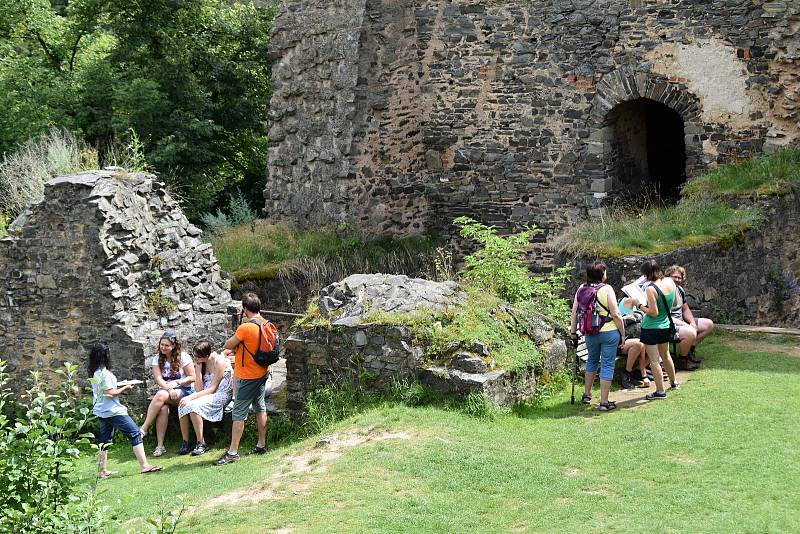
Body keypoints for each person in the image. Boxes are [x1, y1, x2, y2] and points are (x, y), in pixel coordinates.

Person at [213, 292, 272, 465]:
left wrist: (239, 337)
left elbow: (228, 345)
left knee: (238, 413)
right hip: (262, 373)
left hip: (247, 376)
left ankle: (232, 452)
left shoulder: (246, 327)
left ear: (245, 309)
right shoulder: (266, 324)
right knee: (260, 407)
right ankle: (261, 445)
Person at [88, 342, 162, 477]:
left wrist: (119, 385)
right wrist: (125, 388)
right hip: (113, 411)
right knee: (135, 433)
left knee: (104, 441)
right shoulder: (104, 373)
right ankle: (145, 466)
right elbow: (110, 393)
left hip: (101, 410)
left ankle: (102, 471)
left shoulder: (96, 372)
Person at [570, 261, 626, 412]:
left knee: (592, 361)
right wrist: (623, 333)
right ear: (602, 274)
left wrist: (573, 333)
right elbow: (615, 313)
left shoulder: (581, 288)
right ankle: (604, 402)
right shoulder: (607, 289)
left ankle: (587, 395)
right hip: (609, 332)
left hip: (590, 332)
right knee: (607, 364)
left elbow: (575, 312)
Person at [139, 332, 196, 456]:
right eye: (162, 344)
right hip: (168, 392)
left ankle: (144, 427)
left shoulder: (184, 357)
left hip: (186, 391)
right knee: (163, 408)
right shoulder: (157, 358)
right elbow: (159, 379)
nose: (163, 347)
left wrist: (176, 384)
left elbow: (193, 377)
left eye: (167, 345)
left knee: (160, 395)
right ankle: (160, 446)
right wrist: (169, 390)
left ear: (174, 346)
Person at [632, 260, 679, 400]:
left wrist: (638, 304)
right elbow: (675, 303)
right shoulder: (670, 282)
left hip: (651, 328)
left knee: (654, 360)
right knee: (666, 355)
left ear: (646, 274)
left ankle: (660, 391)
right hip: (665, 326)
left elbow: (653, 312)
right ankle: (674, 382)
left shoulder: (651, 288)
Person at [178, 340, 234, 456]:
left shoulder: (219, 361)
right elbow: (199, 389)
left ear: (207, 355)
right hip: (206, 393)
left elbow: (213, 388)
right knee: (182, 404)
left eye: (198, 357)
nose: (196, 359)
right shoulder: (201, 363)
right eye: (195, 356)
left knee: (193, 406)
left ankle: (201, 443)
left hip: (221, 394)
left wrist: (191, 397)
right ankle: (186, 441)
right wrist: (197, 371)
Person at [665, 265, 715, 369]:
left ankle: (689, 350)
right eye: (674, 277)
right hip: (670, 325)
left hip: (681, 321)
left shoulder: (680, 290)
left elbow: (685, 309)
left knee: (709, 324)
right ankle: (682, 360)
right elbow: (666, 316)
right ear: (668, 276)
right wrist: (687, 326)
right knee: (691, 332)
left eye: (679, 277)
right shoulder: (665, 291)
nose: (677, 280)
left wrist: (692, 322)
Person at [617, 299, 650, 390]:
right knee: (639, 344)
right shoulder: (623, 305)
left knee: (653, 344)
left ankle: (639, 372)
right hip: (616, 342)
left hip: (628, 340)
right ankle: (627, 373)